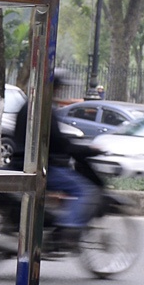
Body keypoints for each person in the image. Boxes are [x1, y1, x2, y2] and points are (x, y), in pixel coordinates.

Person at [44, 69, 101, 236]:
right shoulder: (45, 110)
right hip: (46, 169)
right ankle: (69, 227)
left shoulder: (36, 107)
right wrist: (88, 150)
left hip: (38, 163)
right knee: (84, 190)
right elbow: (61, 144)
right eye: (59, 88)